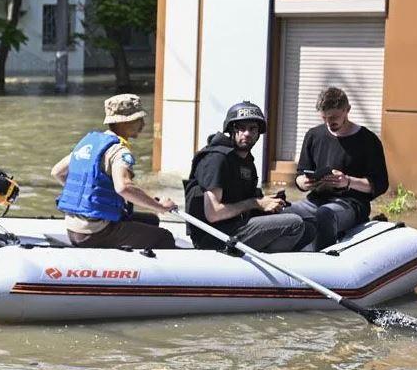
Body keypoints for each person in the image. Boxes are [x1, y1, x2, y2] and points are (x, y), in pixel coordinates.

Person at [50, 94, 178, 250]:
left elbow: (57, 172)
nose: (144, 124)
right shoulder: (119, 151)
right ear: (125, 122)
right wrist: (160, 206)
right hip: (96, 233)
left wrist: (87, 195)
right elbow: (124, 187)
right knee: (164, 238)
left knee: (152, 221)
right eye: (139, 120)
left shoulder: (91, 144)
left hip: (74, 228)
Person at [183, 101, 312, 253]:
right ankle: (266, 267)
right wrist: (255, 203)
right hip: (214, 237)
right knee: (295, 224)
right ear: (231, 130)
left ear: (259, 133)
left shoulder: (245, 161)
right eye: (241, 128)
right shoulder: (217, 159)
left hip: (236, 227)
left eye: (252, 129)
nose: (247, 134)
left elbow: (244, 200)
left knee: (309, 228)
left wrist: (268, 202)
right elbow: (213, 213)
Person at [285, 87, 389, 249]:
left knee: (325, 214)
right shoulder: (314, 135)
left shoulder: (368, 140)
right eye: (324, 117)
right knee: (282, 211)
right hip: (315, 201)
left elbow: (380, 184)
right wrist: (303, 182)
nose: (329, 122)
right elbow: (300, 175)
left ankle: (324, 261)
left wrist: (347, 181)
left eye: (334, 117)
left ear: (347, 110)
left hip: (352, 204)